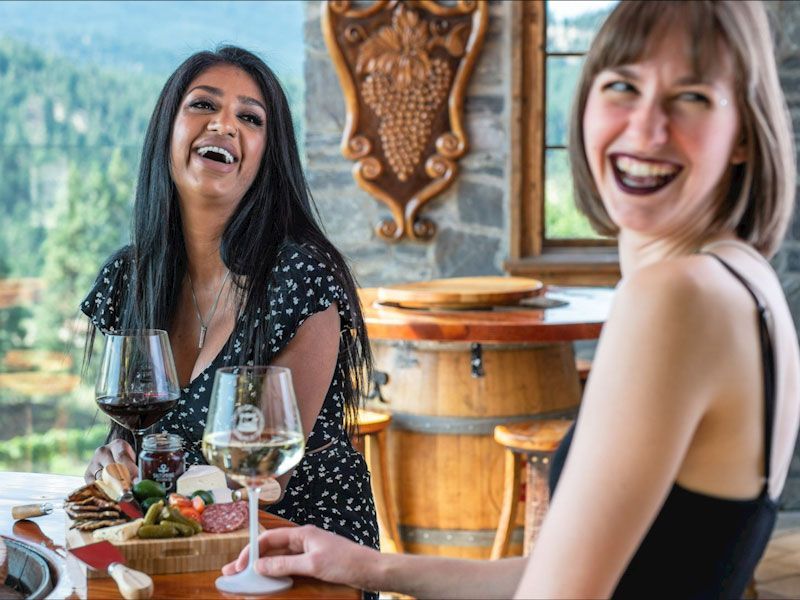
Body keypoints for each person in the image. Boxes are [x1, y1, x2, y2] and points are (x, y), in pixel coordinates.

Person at [222, 1, 800, 597]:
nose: (647, 128)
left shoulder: (674, 297)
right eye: (623, 86)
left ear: (744, 137)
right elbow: (558, 573)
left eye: (693, 97)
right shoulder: (744, 281)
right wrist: (371, 566)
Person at [81, 46, 379, 550]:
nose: (224, 125)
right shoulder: (129, 279)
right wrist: (113, 462)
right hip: (179, 543)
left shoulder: (299, 277)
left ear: (268, 153)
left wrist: (154, 492)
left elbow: (265, 480)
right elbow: (127, 440)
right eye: (202, 105)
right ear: (167, 130)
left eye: (249, 117)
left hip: (300, 543)